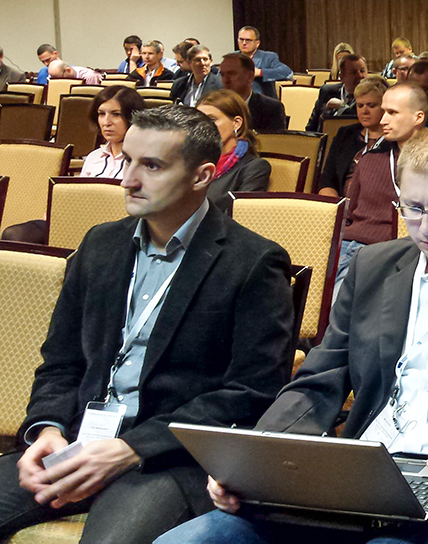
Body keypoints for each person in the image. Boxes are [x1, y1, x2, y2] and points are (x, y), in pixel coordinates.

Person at [156, 125, 428, 544]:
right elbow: (318, 380)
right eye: (412, 208)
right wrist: (256, 462)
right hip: (365, 471)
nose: (426, 228)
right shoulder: (373, 267)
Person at [0, 104, 296, 544]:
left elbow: (251, 393)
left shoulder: (252, 262)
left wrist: (130, 448)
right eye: (128, 161)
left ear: (202, 176)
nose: (128, 180)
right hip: (79, 442)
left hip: (167, 459)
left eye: (152, 166)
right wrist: (47, 428)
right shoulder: (100, 244)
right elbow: (61, 361)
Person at [333, 83, 428, 298]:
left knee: (341, 306)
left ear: (418, 117)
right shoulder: (368, 159)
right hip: (350, 248)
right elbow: (348, 215)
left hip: (396, 251)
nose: (383, 120)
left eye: (392, 113)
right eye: (383, 112)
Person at [196, 89, 271, 211]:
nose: (203, 126)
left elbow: (241, 215)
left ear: (236, 123)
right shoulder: (190, 162)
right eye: (199, 121)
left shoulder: (254, 168)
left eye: (212, 119)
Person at [318, 76, 390, 198]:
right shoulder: (345, 135)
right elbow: (327, 181)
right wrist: (336, 205)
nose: (364, 111)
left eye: (371, 105)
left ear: (385, 107)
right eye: (360, 105)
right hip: (340, 204)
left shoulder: (394, 140)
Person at [81, 86, 147, 179]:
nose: (106, 122)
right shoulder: (93, 157)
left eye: (116, 114)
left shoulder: (146, 162)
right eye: (101, 114)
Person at [219, 52, 286, 132]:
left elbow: (275, 139)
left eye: (231, 74)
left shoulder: (271, 109)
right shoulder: (216, 107)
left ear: (250, 77)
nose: (226, 80)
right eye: (222, 75)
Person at [305, 54, 368, 131]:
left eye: (362, 71)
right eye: (353, 72)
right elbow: (311, 127)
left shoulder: (371, 95)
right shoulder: (327, 91)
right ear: (341, 77)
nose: (360, 76)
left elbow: (361, 125)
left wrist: (342, 107)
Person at [236, 26, 293, 99]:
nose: (244, 43)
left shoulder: (268, 57)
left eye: (248, 40)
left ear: (257, 43)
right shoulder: (231, 57)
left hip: (262, 102)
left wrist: (260, 72)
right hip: (237, 102)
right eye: (241, 39)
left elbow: (288, 73)